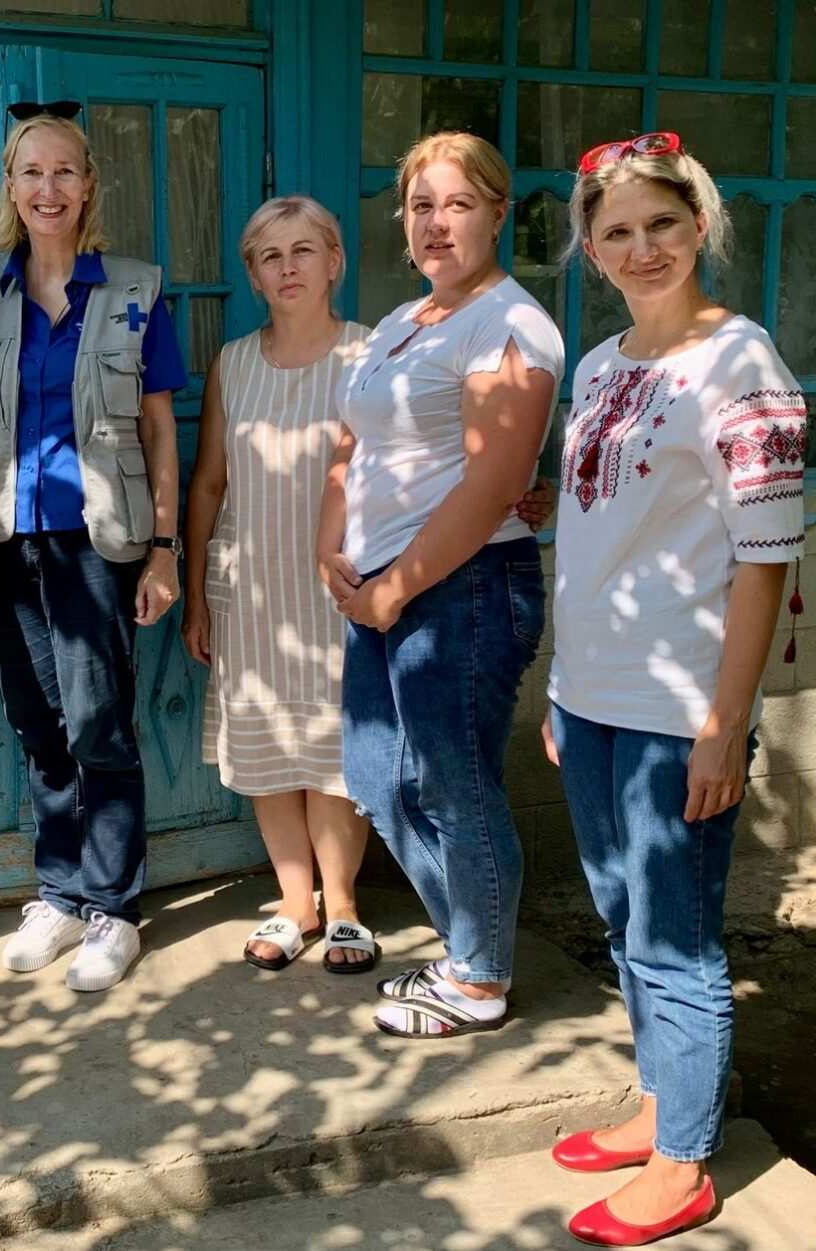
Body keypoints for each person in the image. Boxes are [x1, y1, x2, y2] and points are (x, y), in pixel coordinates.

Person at [543, 133, 805, 1247]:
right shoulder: (599, 364)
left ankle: (685, 1162)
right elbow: (589, 536)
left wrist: (723, 724)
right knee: (621, 916)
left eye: (661, 223)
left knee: (675, 935)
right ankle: (662, 1105)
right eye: (616, 232)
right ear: (590, 249)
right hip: (590, 697)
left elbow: (765, 556)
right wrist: (561, 689)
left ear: (699, 225)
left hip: (677, 707)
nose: (641, 248)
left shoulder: (741, 362)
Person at [326, 132, 564, 1038]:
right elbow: (351, 443)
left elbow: (495, 482)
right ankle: (471, 943)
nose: (436, 223)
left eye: (458, 204)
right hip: (379, 587)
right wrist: (329, 544)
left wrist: (395, 590)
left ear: (498, 213)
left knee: (454, 786)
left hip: (462, 587)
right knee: (377, 778)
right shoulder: (403, 320)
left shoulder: (509, 326)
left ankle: (479, 977)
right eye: (421, 206)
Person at [0, 102, 186, 993]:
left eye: (64, 172)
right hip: (5, 539)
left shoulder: (135, 289)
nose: (47, 188)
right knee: (37, 723)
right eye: (31, 172)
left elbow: (160, 428)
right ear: (10, 187)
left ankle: (114, 907)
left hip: (100, 543)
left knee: (99, 723)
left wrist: (164, 546)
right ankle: (58, 891)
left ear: (88, 186)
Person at [181, 196, 379, 974]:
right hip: (252, 583)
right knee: (266, 745)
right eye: (271, 256)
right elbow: (208, 484)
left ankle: (345, 905)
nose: (288, 267)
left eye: (303, 250)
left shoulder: (369, 353)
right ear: (254, 276)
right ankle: (297, 903)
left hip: (339, 585)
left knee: (333, 750)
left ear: (335, 262)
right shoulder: (233, 362)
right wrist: (197, 592)